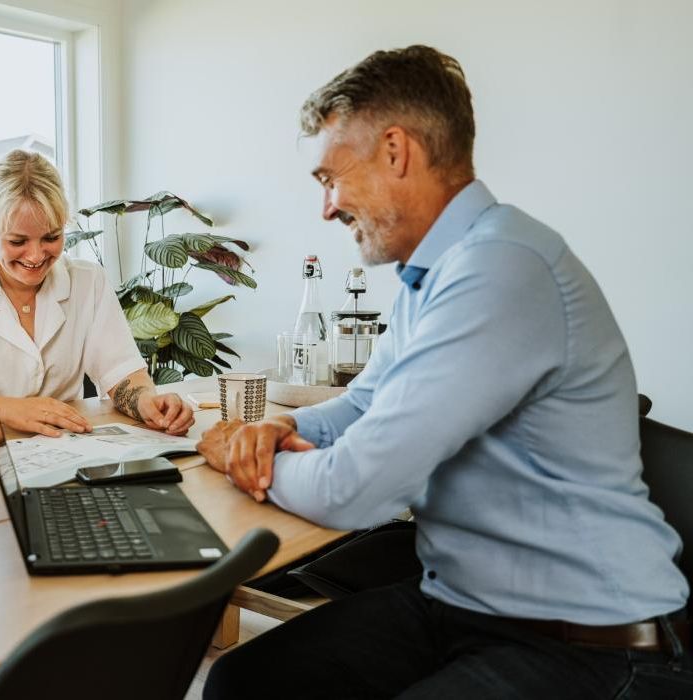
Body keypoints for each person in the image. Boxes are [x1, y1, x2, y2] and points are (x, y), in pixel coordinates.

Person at [200, 45, 690, 698]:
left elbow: (354, 491)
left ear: (395, 151)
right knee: (246, 679)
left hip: (590, 644)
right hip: (461, 604)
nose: (326, 208)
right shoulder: (431, 277)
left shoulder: (501, 268)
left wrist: (241, 457)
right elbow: (359, 406)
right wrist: (280, 425)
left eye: (328, 179)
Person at [0, 149, 194, 437]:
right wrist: (5, 409)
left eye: (51, 237)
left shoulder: (88, 281)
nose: (35, 256)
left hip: (64, 445)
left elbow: (121, 372)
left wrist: (150, 402)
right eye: (17, 241)